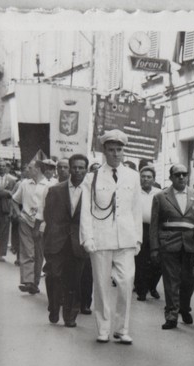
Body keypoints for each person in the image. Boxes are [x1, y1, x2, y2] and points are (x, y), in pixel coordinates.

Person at [79, 129, 142, 344]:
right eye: (111, 150)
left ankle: (121, 329)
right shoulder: (92, 177)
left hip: (125, 239)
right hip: (101, 238)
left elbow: (136, 209)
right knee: (102, 285)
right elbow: (86, 211)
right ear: (104, 151)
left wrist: (138, 238)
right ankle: (103, 328)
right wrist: (87, 238)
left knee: (126, 283)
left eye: (119, 150)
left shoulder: (133, 176)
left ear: (124, 151)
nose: (116, 154)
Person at [150, 163, 194, 329]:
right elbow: (154, 224)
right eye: (177, 174)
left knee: (190, 281)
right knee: (171, 281)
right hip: (169, 242)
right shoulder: (161, 196)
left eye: (184, 174)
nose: (181, 177)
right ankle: (171, 315)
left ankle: (184, 307)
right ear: (171, 177)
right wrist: (154, 247)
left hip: (191, 244)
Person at [42, 153, 89, 327]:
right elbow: (48, 216)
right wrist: (49, 240)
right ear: (69, 168)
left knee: (74, 280)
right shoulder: (55, 190)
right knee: (53, 276)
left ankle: (70, 315)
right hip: (57, 242)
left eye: (81, 167)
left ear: (86, 170)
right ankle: (54, 308)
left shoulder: (91, 192)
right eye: (74, 167)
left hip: (78, 243)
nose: (77, 171)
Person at [12, 159, 53, 294]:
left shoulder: (48, 185)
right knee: (27, 251)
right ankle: (27, 281)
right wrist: (18, 214)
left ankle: (34, 283)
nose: (27, 170)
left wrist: (42, 226)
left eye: (30, 168)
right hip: (25, 220)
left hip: (41, 223)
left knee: (38, 253)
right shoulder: (24, 183)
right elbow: (14, 199)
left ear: (38, 169)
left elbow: (48, 208)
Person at [134, 166, 163, 301]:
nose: (145, 179)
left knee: (156, 261)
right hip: (138, 229)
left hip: (155, 229)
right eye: (143, 176)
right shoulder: (134, 192)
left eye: (149, 177)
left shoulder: (159, 193)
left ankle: (152, 286)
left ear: (154, 179)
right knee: (140, 260)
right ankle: (141, 290)